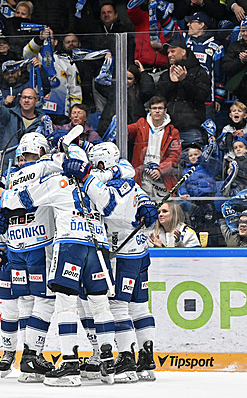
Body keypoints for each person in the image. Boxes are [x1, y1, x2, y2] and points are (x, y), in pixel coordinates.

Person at [0, 146, 119, 387]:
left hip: (70, 245)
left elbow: (16, 200)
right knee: (100, 304)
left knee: (65, 304)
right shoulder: (95, 179)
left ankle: (70, 365)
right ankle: (107, 364)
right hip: (97, 244)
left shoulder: (56, 180)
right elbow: (111, 204)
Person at [84, 142, 159, 383]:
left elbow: (109, 210)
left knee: (118, 306)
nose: (94, 167)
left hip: (122, 253)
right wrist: (148, 205)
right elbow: (145, 207)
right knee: (140, 307)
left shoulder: (106, 185)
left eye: (96, 162)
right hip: (140, 252)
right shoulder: (132, 183)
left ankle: (126, 358)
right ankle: (146, 357)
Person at [0, 132, 56, 382]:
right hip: (16, 249)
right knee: (19, 303)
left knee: (34, 301)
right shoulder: (12, 178)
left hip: (35, 246)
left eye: (31, 155)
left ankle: (30, 354)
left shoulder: (43, 174)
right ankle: (19, 353)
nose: (26, 159)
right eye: (23, 155)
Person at [155, 38, 212, 147]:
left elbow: (201, 96)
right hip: (168, 128)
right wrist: (172, 83)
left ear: (183, 52)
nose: (169, 55)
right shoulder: (166, 74)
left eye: (173, 51)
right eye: (168, 53)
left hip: (191, 128)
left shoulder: (199, 72)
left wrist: (184, 81)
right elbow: (158, 98)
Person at [128, 95, 182, 201]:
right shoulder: (141, 124)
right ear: (150, 110)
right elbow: (126, 131)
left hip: (163, 178)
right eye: (154, 108)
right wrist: (117, 121)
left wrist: (161, 170)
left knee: (163, 209)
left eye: (160, 108)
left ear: (165, 110)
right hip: (142, 177)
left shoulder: (173, 132)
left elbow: (175, 155)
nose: (157, 111)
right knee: (143, 209)